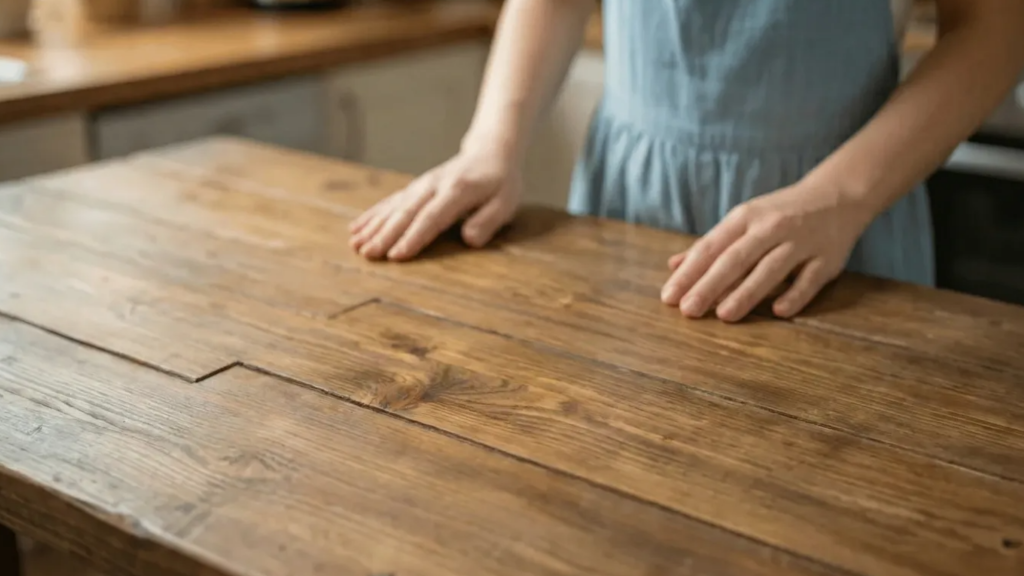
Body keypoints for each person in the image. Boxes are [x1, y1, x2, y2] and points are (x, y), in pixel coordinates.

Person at [348, 0, 1024, 322]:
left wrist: (840, 196)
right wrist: (490, 147)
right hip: (624, 202)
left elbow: (995, 29)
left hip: (839, 222)